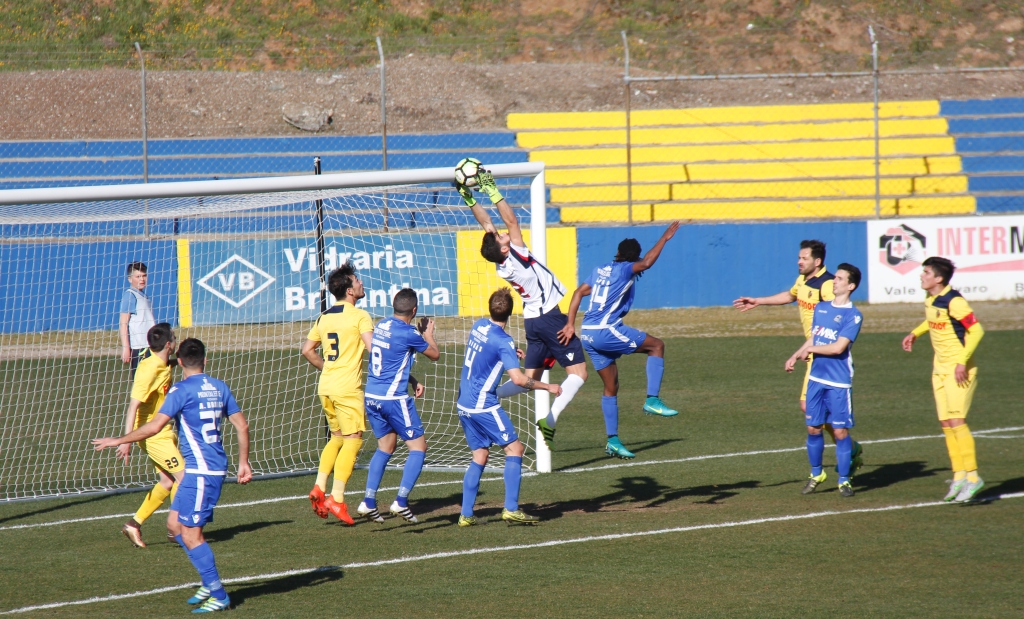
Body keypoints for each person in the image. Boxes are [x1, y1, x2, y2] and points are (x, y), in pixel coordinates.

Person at [93, 337, 252, 613]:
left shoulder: (180, 390)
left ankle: (219, 594)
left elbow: (154, 426)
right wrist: (243, 462)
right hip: (202, 469)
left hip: (203, 471)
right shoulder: (219, 386)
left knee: (191, 535)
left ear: (179, 362)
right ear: (204, 359)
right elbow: (242, 425)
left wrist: (119, 440)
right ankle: (208, 581)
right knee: (174, 526)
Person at [455, 163, 587, 449]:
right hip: (549, 317)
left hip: (532, 321)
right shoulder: (517, 255)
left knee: (529, 378)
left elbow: (487, 225)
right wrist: (492, 190)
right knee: (578, 374)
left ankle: (493, 393)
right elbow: (512, 222)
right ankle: (549, 421)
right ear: (504, 248)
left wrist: (469, 199)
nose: (502, 233)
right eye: (502, 238)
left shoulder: (502, 263)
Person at [733, 239, 864, 474]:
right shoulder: (804, 280)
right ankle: (849, 447)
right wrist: (758, 301)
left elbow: (833, 320)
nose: (799, 261)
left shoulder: (827, 286)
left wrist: (811, 348)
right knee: (810, 409)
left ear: (817, 261)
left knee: (812, 409)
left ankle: (849, 448)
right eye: (799, 257)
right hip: (811, 351)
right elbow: (791, 295)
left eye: (804, 258)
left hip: (824, 355)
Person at [561, 222, 681, 460]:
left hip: (588, 334)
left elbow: (577, 293)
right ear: (633, 256)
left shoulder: (601, 269)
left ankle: (613, 441)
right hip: (606, 331)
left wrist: (570, 324)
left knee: (611, 386)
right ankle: (652, 400)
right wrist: (664, 239)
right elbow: (646, 263)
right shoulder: (627, 269)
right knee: (657, 346)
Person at [457, 289, 561, 527]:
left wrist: (511, 355)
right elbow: (519, 380)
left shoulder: (479, 325)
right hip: (483, 404)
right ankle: (511, 509)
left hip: (463, 403)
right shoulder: (503, 340)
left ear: (490, 308)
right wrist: (548, 386)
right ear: (511, 313)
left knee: (480, 455)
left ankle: (465, 515)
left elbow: (486, 353)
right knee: (515, 449)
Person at [902, 257, 986, 503]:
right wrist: (915, 333)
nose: (921, 275)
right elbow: (933, 320)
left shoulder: (955, 301)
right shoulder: (931, 299)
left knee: (958, 421)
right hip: (939, 369)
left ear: (938, 278)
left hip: (959, 370)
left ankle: (973, 478)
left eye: (926, 272)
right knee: (947, 424)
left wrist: (962, 361)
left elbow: (976, 330)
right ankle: (959, 475)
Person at [358, 288, 440, 524]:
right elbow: (435, 355)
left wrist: (412, 380)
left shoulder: (382, 325)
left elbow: (389, 359)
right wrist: (427, 333)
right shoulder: (410, 333)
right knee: (419, 448)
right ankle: (401, 502)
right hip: (393, 399)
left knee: (386, 446)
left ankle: (369, 501)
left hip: (372, 396)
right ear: (414, 310)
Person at [302, 264, 374, 525]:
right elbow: (373, 348)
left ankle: (320, 487)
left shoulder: (324, 317)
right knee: (353, 440)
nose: (361, 283)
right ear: (349, 290)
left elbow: (307, 350)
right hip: (347, 388)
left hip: (327, 386)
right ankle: (338, 498)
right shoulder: (360, 316)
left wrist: (328, 367)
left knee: (337, 438)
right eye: (357, 280)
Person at [785, 264, 864, 498]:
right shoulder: (821, 308)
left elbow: (839, 347)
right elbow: (814, 336)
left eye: (839, 278)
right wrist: (795, 353)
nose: (834, 281)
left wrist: (811, 349)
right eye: (835, 277)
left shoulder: (854, 315)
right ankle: (816, 474)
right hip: (816, 378)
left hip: (838, 381)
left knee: (839, 432)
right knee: (813, 428)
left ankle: (843, 480)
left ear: (851, 286)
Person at [117, 322, 185, 548]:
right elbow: (133, 406)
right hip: (152, 435)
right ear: (168, 344)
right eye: (174, 338)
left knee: (167, 482)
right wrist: (126, 441)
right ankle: (177, 529)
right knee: (183, 479)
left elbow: (167, 366)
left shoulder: (161, 361)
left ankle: (133, 524)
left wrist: (184, 359)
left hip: (162, 431)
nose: (176, 340)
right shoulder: (148, 369)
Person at [119, 261, 156, 377]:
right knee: (141, 386)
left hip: (151, 346)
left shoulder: (144, 296)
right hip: (140, 348)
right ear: (130, 279)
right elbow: (123, 323)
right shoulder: (130, 296)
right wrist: (126, 348)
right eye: (138, 276)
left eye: (144, 276)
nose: (142, 279)